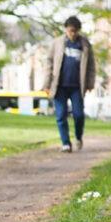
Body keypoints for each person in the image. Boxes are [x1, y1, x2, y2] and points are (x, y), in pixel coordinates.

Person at [44, 15, 96, 153]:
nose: (73, 33)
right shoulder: (57, 43)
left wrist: (90, 83)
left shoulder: (84, 44)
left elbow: (91, 65)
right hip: (59, 86)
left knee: (78, 115)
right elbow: (49, 62)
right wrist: (47, 83)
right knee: (61, 115)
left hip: (77, 87)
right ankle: (66, 143)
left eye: (75, 31)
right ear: (66, 29)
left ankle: (78, 137)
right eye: (70, 30)